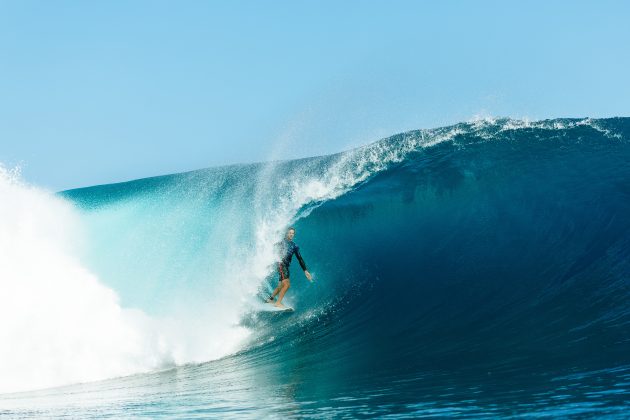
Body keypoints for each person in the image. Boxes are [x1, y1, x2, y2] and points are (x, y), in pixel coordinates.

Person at [266, 227, 313, 308]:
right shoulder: (281, 242)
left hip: (286, 266)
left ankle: (270, 299)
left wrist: (305, 270)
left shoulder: (295, 246)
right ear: (286, 233)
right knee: (287, 284)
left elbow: (300, 258)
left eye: (292, 233)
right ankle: (278, 303)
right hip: (281, 264)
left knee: (281, 286)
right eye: (289, 233)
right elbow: (272, 250)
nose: (291, 234)